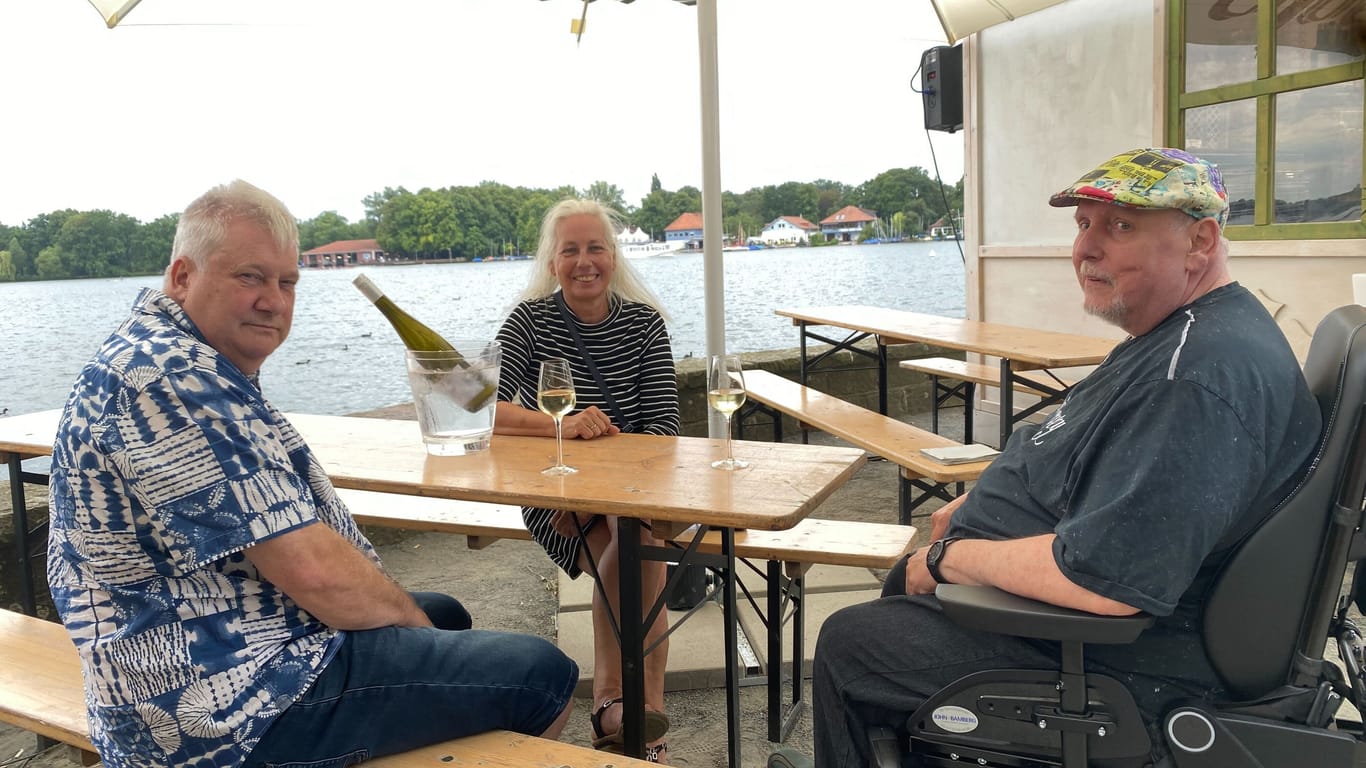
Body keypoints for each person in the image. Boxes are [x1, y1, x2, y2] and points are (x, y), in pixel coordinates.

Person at [807, 148, 1323, 767]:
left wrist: (951, 560)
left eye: (1121, 226)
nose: (1086, 249)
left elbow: (1105, 582)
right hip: (1079, 624)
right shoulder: (1179, 334)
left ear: (1200, 242)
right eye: (1083, 226)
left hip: (1120, 661)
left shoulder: (1193, 378)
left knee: (852, 644)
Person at [45, 180, 578, 768]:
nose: (274, 300)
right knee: (542, 675)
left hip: (196, 644)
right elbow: (313, 571)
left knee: (446, 616)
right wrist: (412, 626)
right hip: (215, 709)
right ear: (182, 277)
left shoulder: (165, 353)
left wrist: (418, 626)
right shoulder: (171, 377)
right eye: (250, 276)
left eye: (287, 281)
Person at [494, 198, 680, 763]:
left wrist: (619, 492)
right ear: (552, 262)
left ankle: (617, 712)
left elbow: (665, 429)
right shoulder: (530, 321)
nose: (584, 261)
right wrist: (566, 426)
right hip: (557, 495)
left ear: (613, 255)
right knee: (635, 556)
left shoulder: (645, 324)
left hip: (639, 497)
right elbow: (487, 410)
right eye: (569, 249)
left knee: (633, 543)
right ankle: (639, 720)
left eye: (594, 247)